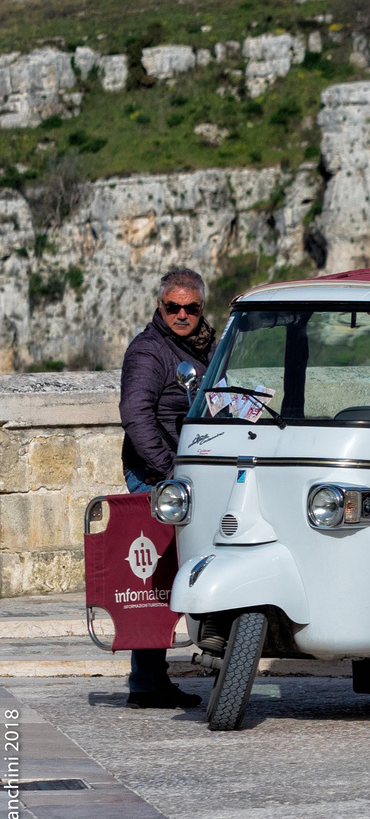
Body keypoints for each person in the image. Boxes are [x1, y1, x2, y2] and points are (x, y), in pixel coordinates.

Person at [117, 267, 216, 709]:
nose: (181, 314)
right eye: (172, 306)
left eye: (189, 307)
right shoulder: (148, 352)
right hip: (157, 477)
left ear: (200, 308)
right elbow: (136, 416)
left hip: (192, 475)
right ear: (160, 307)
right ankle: (147, 680)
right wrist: (167, 472)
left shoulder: (208, 346)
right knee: (156, 574)